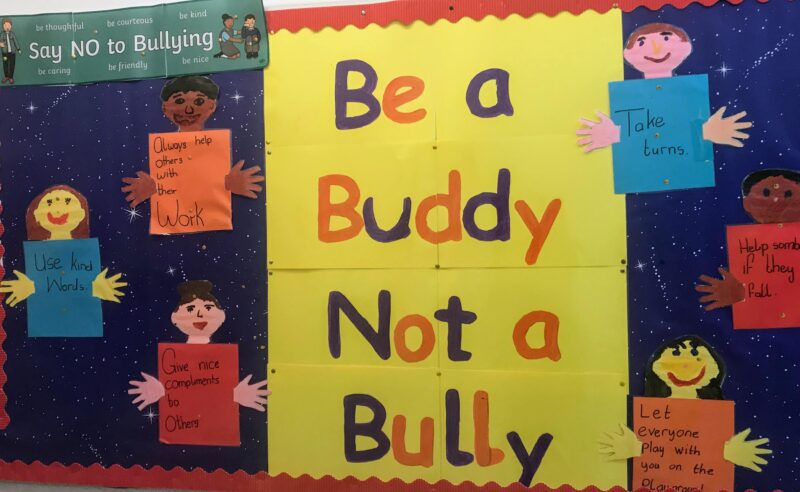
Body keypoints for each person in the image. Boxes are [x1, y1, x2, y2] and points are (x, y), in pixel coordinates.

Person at [600, 336, 771, 473]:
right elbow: (658, 450)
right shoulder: (650, 414)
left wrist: (731, 454)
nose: (685, 364)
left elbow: (703, 452)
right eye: (675, 354)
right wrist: (631, 450)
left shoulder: (715, 415)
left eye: (696, 355)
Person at [577, 23, 751, 153]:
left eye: (666, 38)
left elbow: (677, 130)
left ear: (685, 47)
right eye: (642, 42)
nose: (656, 49)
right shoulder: (629, 97)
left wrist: (706, 132)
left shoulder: (690, 93)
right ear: (627, 54)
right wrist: (613, 134)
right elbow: (640, 133)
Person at [120, 76, 264, 208]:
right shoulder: (161, 150)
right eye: (179, 101)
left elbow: (205, 182)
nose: (189, 110)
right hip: (174, 218)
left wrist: (229, 184)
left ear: (212, 106)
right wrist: (152, 188)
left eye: (199, 101)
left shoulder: (219, 147)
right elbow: (173, 184)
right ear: (165, 107)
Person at [127, 280, 270, 412]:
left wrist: (237, 395)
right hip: (180, 422)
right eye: (190, 309)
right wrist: (159, 391)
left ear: (221, 316)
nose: (200, 314)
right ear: (175, 318)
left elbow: (214, 389)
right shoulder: (170, 357)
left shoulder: (227, 357)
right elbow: (181, 390)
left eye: (208, 308)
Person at [0, 185, 126, 307]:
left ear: (81, 214)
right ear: (37, 215)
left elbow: (77, 284)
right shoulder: (36, 254)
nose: (58, 210)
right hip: (46, 316)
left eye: (67, 202)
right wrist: (29, 288)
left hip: (81, 315)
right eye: (49, 203)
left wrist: (97, 288)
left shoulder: (85, 252)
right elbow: (49, 285)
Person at [0, 18, 20, 84]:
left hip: (12, 53)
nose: (7, 27)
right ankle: (6, 76)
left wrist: (18, 49)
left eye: (8, 25)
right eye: (5, 26)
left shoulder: (12, 34)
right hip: (5, 53)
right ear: (3, 26)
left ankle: (11, 77)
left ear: (11, 26)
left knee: (12, 65)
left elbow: (15, 41)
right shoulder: (2, 34)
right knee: (5, 64)